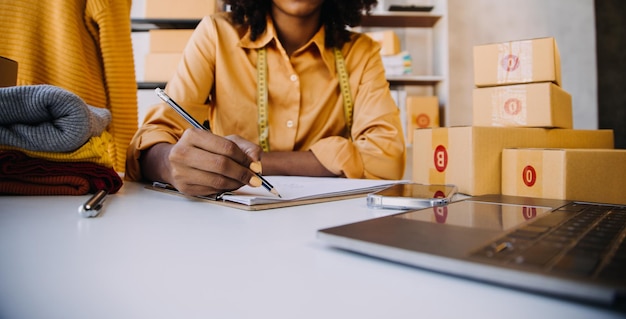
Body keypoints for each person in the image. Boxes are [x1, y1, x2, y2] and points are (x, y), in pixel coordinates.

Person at [126, 0, 406, 196]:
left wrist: (241, 165)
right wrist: (170, 163)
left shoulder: (361, 52)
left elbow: (387, 160)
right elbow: (151, 141)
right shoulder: (217, 35)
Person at [0, 0, 138, 173]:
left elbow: (118, 73)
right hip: (68, 131)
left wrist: (124, 165)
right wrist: (124, 169)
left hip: (69, 128)